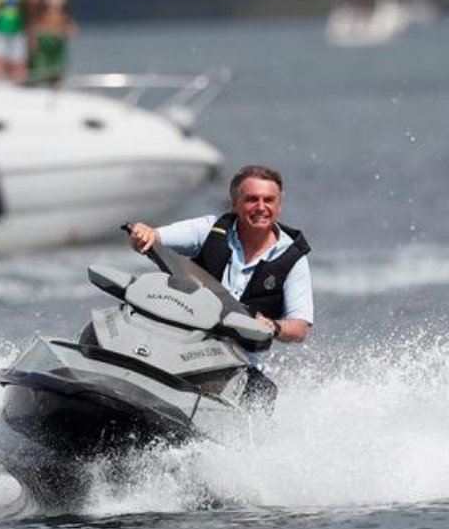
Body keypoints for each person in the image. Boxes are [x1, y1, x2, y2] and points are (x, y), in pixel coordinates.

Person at [128, 165, 313, 410]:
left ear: (279, 206)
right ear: (234, 204)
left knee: (264, 394)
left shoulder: (293, 258)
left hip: (235, 362)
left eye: (269, 200)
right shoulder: (208, 230)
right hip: (183, 342)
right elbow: (154, 236)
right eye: (251, 199)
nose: (261, 207)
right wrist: (142, 232)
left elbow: (299, 329)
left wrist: (275, 326)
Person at [25, 0, 75, 85]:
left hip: (58, 34)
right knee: (39, 69)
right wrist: (31, 36)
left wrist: (70, 24)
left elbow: (62, 11)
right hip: (41, 33)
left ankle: (54, 92)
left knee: (57, 70)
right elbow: (30, 14)